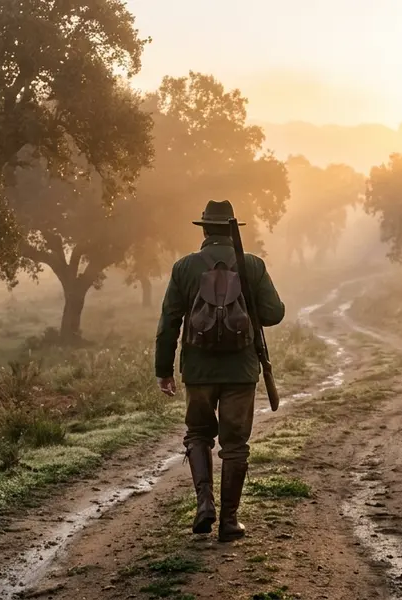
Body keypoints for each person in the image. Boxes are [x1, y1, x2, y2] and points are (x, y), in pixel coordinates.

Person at [155, 200, 285, 542]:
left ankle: (204, 506)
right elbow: (274, 314)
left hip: (198, 371)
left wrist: (164, 370)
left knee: (198, 434)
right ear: (232, 230)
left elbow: (169, 323)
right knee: (235, 443)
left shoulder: (184, 268)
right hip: (241, 371)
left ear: (204, 230)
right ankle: (229, 521)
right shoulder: (252, 265)